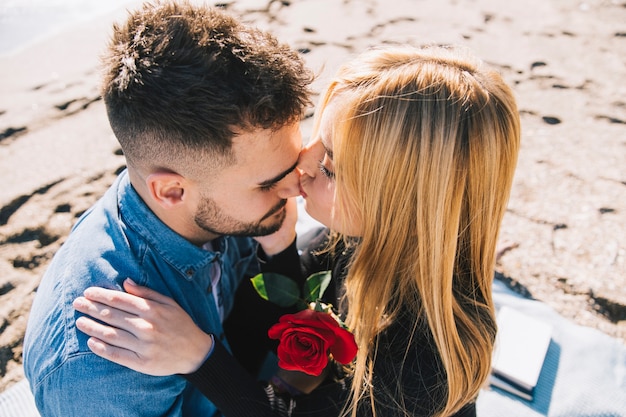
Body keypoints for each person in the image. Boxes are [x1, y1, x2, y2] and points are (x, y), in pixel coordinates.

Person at [72, 44, 521, 417]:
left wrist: (200, 359)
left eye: (329, 166)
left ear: (397, 204)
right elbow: (288, 315)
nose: (300, 168)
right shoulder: (353, 240)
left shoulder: (427, 363)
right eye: (316, 138)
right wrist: (279, 248)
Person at [22, 1, 313, 416]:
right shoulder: (101, 366)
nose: (294, 189)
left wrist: (279, 249)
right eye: (269, 183)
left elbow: (252, 331)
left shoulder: (206, 210)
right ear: (172, 191)